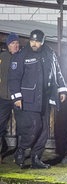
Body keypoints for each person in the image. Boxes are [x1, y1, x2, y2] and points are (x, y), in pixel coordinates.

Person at [8, 29, 67, 169]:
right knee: (34, 127)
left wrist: (62, 89)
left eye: (37, 41)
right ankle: (21, 150)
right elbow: (13, 77)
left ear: (42, 41)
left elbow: (57, 72)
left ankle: (36, 159)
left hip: (45, 99)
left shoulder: (50, 54)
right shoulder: (22, 55)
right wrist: (16, 96)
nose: (34, 44)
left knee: (44, 131)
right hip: (29, 99)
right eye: (32, 41)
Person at [0, 32, 20, 163]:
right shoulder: (2, 57)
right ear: (8, 45)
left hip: (18, 98)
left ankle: (20, 153)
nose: (16, 45)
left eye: (17, 43)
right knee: (0, 125)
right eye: (13, 43)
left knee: (22, 126)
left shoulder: (23, 57)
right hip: (3, 98)